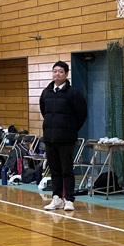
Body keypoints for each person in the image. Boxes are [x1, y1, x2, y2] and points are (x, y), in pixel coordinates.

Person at [39, 61, 88, 211]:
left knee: (67, 170)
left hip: (66, 139)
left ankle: (69, 200)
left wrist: (69, 129)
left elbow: (82, 114)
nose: (57, 74)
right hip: (50, 138)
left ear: (66, 74)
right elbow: (44, 111)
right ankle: (57, 198)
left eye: (60, 71)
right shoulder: (46, 93)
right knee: (55, 170)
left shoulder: (74, 93)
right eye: (55, 71)